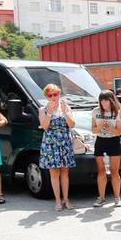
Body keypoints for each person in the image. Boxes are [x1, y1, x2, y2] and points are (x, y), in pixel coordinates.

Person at [37, 83, 76, 211]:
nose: (54, 97)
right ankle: (58, 201)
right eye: (50, 95)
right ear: (47, 97)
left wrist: (65, 112)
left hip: (64, 142)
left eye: (56, 94)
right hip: (51, 144)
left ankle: (66, 200)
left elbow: (71, 124)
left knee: (65, 172)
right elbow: (44, 126)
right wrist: (50, 112)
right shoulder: (43, 109)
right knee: (54, 173)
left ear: (59, 94)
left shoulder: (66, 106)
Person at [91, 90, 121, 207]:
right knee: (101, 171)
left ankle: (117, 198)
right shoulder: (95, 111)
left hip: (113, 141)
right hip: (100, 141)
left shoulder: (117, 112)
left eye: (106, 100)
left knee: (114, 171)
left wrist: (109, 127)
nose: (103, 103)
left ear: (111, 100)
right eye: (102, 100)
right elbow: (93, 130)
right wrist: (100, 126)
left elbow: (118, 132)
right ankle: (101, 198)